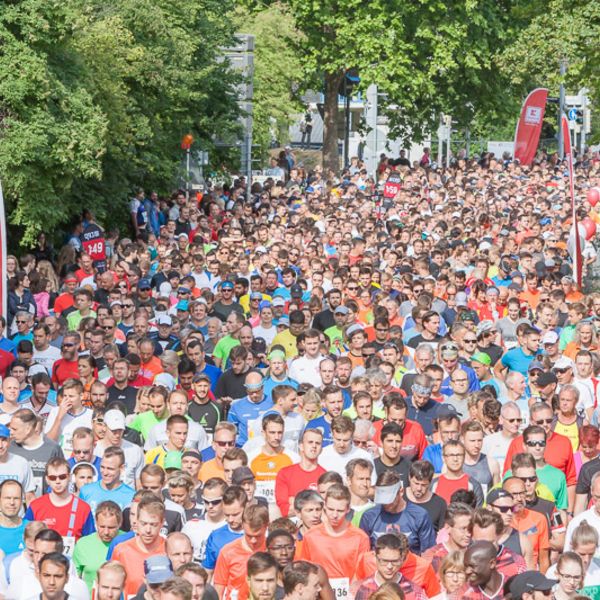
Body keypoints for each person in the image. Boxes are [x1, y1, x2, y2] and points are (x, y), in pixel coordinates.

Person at [299, 484, 370, 597]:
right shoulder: (311, 536)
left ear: (348, 509)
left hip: (347, 595)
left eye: (340, 510)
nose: (334, 515)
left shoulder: (360, 538)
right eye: (331, 509)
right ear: (325, 507)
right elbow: (304, 570)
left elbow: (362, 574)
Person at [24, 457, 95, 555]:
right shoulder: (36, 506)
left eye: (62, 477)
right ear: (47, 480)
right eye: (53, 478)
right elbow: (26, 536)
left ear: (70, 477)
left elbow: (90, 542)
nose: (57, 481)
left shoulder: (83, 508)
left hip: (71, 565)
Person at [359, 471, 435, 554]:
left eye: (389, 499)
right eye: (382, 499)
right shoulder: (369, 516)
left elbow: (429, 553)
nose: (386, 504)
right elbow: (363, 553)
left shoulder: (419, 516)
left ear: (401, 492)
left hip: (410, 565)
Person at [112, 496, 167, 597]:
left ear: (162, 523)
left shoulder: (169, 550)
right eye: (144, 523)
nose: (148, 530)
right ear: (136, 521)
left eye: (153, 524)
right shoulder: (122, 551)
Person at [213, 504, 270, 599]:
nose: (253, 541)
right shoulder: (227, 552)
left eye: (258, 536)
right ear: (243, 525)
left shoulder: (273, 550)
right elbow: (218, 590)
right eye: (249, 535)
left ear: (267, 526)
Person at [355, 533, 428, 600]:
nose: (389, 566)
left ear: (402, 559)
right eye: (385, 561)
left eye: (394, 561)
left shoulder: (414, 592)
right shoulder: (364, 590)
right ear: (375, 557)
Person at [73, 501, 123, 591]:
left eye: (111, 528)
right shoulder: (83, 544)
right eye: (102, 527)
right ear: (96, 522)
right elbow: (74, 579)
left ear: (120, 524)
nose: (106, 532)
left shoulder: (127, 541)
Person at [275, 428, 325, 517]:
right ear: (301, 446)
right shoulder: (285, 473)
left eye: (317, 443)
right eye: (310, 442)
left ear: (321, 449)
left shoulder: (324, 477)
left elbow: (324, 510)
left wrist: (294, 501)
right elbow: (284, 510)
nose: (314, 446)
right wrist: (313, 505)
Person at [181, 477, 227, 562]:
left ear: (225, 500)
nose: (210, 506)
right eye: (206, 501)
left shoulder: (232, 526)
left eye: (215, 501)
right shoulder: (190, 526)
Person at [423, 502, 472, 573]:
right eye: (463, 529)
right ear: (448, 527)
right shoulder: (433, 556)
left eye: (470, 528)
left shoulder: (474, 556)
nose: (468, 534)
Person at [405, 460, 447, 532]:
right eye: (416, 483)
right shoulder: (399, 498)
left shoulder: (440, 504)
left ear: (430, 482)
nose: (419, 488)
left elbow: (443, 534)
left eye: (424, 485)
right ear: (409, 478)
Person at [0, 479, 26, 555]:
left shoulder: (31, 529)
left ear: (22, 501)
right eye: (7, 498)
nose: (12, 502)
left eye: (16, 498)